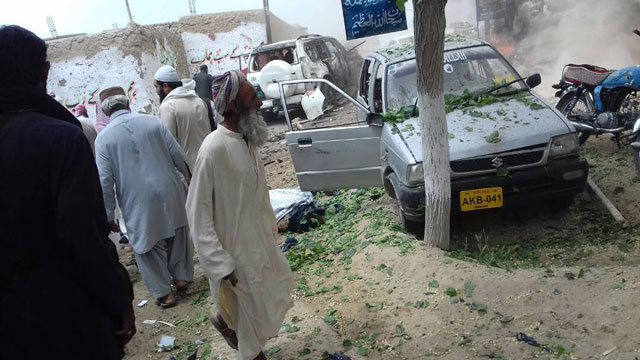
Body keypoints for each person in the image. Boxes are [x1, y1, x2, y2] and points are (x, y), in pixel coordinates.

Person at [0, 25, 135, 360]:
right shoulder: (61, 139)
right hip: (67, 321)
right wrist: (119, 301)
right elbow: (84, 238)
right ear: (44, 71)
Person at [186, 70, 293, 360]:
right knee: (249, 320)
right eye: (252, 96)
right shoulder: (213, 149)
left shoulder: (246, 140)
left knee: (267, 301)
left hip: (258, 243)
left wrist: (271, 226)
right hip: (234, 254)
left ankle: (224, 321)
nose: (259, 103)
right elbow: (197, 213)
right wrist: (220, 263)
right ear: (233, 105)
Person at [95, 86, 194, 308]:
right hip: (170, 188)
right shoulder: (153, 122)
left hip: (136, 199)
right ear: (127, 101)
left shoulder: (104, 139)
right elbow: (179, 155)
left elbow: (105, 181)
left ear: (105, 111)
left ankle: (164, 294)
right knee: (177, 232)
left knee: (148, 245)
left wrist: (108, 214)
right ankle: (181, 278)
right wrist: (191, 180)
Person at [155, 65, 212, 167]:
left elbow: (170, 147)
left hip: (189, 172)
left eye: (156, 87)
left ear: (165, 86)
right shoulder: (199, 101)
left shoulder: (168, 107)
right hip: (209, 164)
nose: (156, 91)